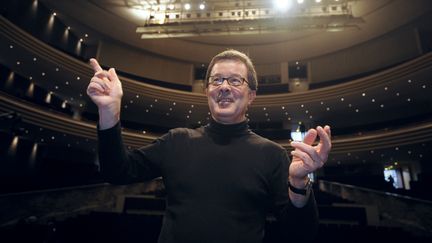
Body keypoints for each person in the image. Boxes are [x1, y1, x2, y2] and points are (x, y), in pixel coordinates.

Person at [86, 49, 332, 243]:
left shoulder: (272, 154)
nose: (224, 87)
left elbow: (301, 234)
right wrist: (109, 113)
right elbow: (117, 171)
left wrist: (299, 185)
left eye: (235, 81)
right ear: (207, 91)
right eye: (217, 80)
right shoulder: (177, 141)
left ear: (252, 95)